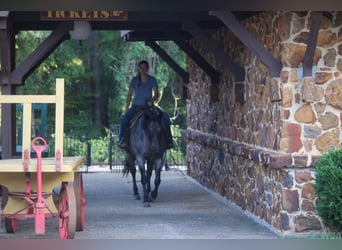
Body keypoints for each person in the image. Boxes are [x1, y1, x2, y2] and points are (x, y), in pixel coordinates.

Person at [118, 60, 173, 150]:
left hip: (149, 106)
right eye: (141, 68)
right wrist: (127, 107)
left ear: (147, 69)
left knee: (166, 117)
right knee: (124, 120)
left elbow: (156, 93)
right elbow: (129, 94)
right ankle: (122, 140)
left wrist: (152, 100)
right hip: (136, 106)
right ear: (139, 69)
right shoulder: (134, 80)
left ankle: (168, 140)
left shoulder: (152, 80)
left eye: (144, 68)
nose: (143, 69)